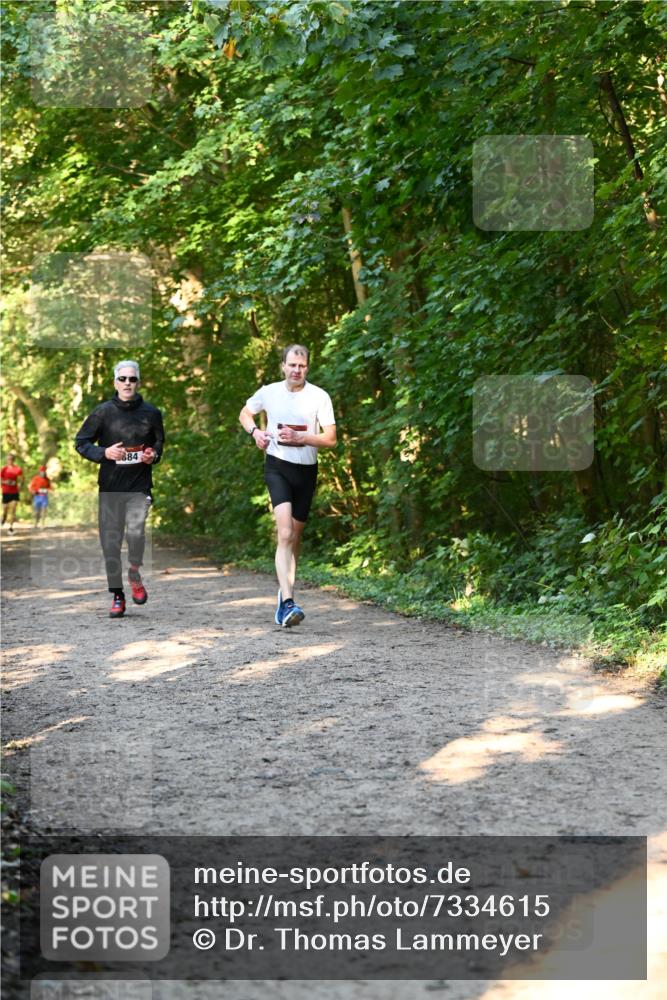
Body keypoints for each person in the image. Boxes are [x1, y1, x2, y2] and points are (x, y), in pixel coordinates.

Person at [239, 344, 336, 627]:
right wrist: (255, 432)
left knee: (295, 537)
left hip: (306, 471)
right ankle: (290, 603)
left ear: (307, 368)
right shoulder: (269, 392)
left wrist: (301, 438)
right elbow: (245, 413)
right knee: (284, 533)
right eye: (292, 365)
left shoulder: (319, 396)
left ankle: (284, 595)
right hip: (278, 467)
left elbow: (331, 439)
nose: (296, 370)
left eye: (301, 366)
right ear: (283, 366)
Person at [75, 360, 165, 619]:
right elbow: (81, 442)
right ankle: (117, 595)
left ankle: (134, 571)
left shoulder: (152, 413)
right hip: (110, 488)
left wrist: (153, 455)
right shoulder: (102, 413)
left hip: (139, 486)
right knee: (110, 544)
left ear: (138, 382)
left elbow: (159, 442)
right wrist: (104, 452)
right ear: (115, 382)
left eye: (132, 379)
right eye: (123, 379)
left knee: (136, 531)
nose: (127, 383)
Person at [1, 453, 23, 533]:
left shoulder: (17, 469)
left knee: (13, 509)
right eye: (8, 459)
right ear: (7, 460)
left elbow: (21, 479)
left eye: (11, 459)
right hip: (6, 492)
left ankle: (10, 528)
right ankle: (4, 517)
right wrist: (6, 482)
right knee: (5, 510)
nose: (10, 460)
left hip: (14, 492)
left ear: (14, 460)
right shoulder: (4, 469)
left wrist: (19, 485)